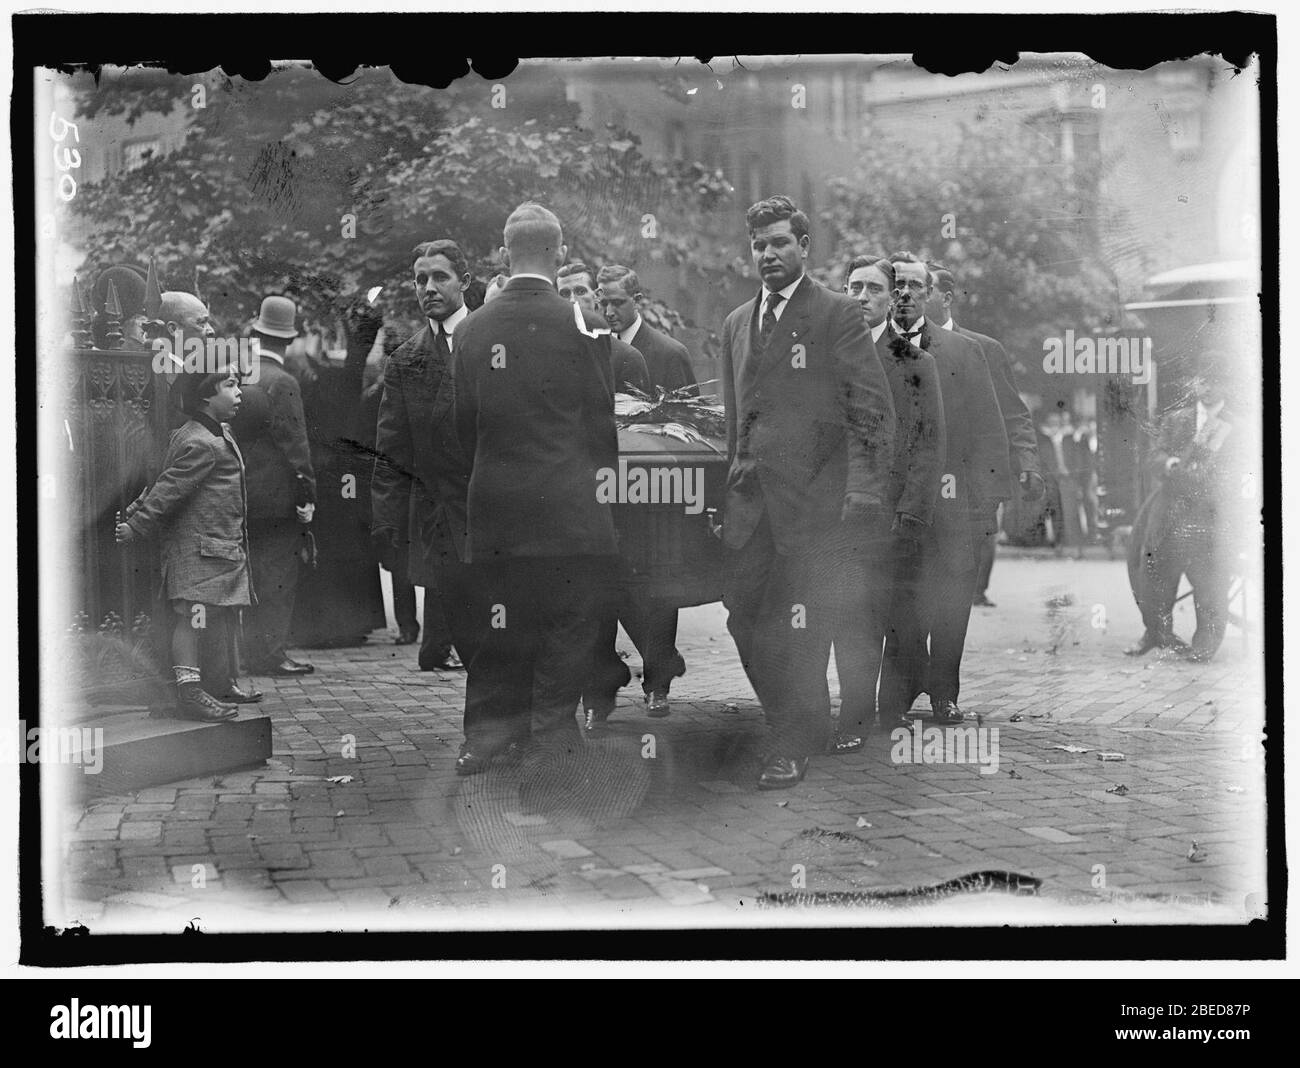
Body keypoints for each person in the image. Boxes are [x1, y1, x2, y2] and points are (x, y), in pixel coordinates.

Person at [718, 195, 895, 789]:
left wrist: (862, 494)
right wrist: (729, 491)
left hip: (816, 509)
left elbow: (871, 412)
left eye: (779, 243)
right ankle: (804, 722)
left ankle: (788, 745)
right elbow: (736, 417)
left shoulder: (836, 315)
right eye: (759, 245)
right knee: (742, 621)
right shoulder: (738, 323)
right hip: (750, 507)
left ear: (804, 248)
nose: (768, 254)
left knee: (795, 628)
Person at [452, 202, 622, 773]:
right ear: (562, 254)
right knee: (568, 623)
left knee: (498, 622)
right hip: (569, 506)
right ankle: (551, 737)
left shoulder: (472, 326)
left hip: (496, 505)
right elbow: (602, 423)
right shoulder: (585, 320)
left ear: (504, 254)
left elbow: (463, 425)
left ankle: (485, 741)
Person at [877, 252, 1008, 730]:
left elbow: (989, 429)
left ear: (931, 293)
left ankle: (944, 695)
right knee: (897, 600)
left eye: (914, 286)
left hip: (954, 507)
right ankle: (904, 684)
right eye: (897, 285)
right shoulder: (871, 350)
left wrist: (983, 504)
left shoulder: (961, 351)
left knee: (952, 602)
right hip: (895, 508)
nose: (905, 294)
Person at [831, 255, 945, 751]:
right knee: (849, 615)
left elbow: (927, 443)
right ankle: (853, 718)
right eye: (854, 287)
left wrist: (912, 513)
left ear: (891, 295)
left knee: (892, 618)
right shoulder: (826, 355)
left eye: (874, 289)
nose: (862, 297)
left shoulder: (915, 363)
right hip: (836, 513)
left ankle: (888, 708)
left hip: (891, 516)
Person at [591, 263, 698, 718]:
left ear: (639, 300)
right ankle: (598, 693)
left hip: (656, 496)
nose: (610, 310)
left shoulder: (667, 352)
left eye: (618, 302)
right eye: (604, 301)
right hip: (603, 494)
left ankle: (658, 682)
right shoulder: (591, 349)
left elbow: (689, 424)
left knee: (658, 592)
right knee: (601, 591)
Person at [115, 365, 250, 720]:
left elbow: (161, 479)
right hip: (197, 551)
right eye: (231, 385)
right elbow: (167, 488)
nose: (239, 393)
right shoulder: (200, 442)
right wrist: (137, 523)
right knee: (192, 619)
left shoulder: (214, 433)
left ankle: (196, 688)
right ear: (205, 394)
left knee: (204, 618)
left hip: (215, 548)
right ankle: (189, 694)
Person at [371, 240, 475, 672]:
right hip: (436, 511)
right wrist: (385, 519)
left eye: (439, 277)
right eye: (420, 280)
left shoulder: (490, 343)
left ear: (465, 282)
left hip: (490, 504)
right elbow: (392, 447)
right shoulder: (405, 360)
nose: (428, 288)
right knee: (447, 590)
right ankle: (440, 649)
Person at [926, 262, 1045, 607]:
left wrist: (1029, 463)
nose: (911, 293)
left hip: (968, 483)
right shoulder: (897, 344)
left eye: (924, 286)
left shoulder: (984, 349)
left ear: (946, 297)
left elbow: (1014, 413)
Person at [1127, 369, 1245, 661]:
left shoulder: (1238, 427)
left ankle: (1204, 646)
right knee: (1155, 575)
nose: (1207, 387)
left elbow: (1245, 469)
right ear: (1194, 383)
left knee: (1210, 580)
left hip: (1211, 513)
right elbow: (1153, 456)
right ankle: (1155, 633)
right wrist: (1169, 463)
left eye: (1216, 380)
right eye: (1202, 380)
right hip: (1171, 509)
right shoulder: (1175, 419)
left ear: (1226, 383)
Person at [291, 297, 387, 648]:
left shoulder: (315, 391)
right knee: (348, 550)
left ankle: (322, 625)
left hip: (324, 476)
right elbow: (356, 363)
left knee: (327, 553)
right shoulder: (346, 391)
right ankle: (350, 621)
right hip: (344, 478)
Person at [229, 294, 317, 677]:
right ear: (289, 339)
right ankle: (272, 653)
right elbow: (295, 445)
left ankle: (251, 652)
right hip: (277, 496)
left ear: (259, 333)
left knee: (251, 575)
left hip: (242, 490)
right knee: (279, 575)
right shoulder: (283, 382)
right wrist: (306, 494)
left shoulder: (242, 374)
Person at [556, 262, 650, 393]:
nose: (572, 300)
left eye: (580, 291)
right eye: (565, 294)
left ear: (597, 296)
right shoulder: (547, 350)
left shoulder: (626, 358)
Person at [1037, 407, 1087, 558]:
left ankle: (1074, 545)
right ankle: (1059, 544)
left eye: (1057, 423)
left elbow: (1078, 459)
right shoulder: (1044, 442)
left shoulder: (1069, 439)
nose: (1054, 426)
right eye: (1051, 423)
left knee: (1071, 511)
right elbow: (1041, 463)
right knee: (1055, 511)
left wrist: (1074, 476)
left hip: (1067, 479)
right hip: (1051, 480)